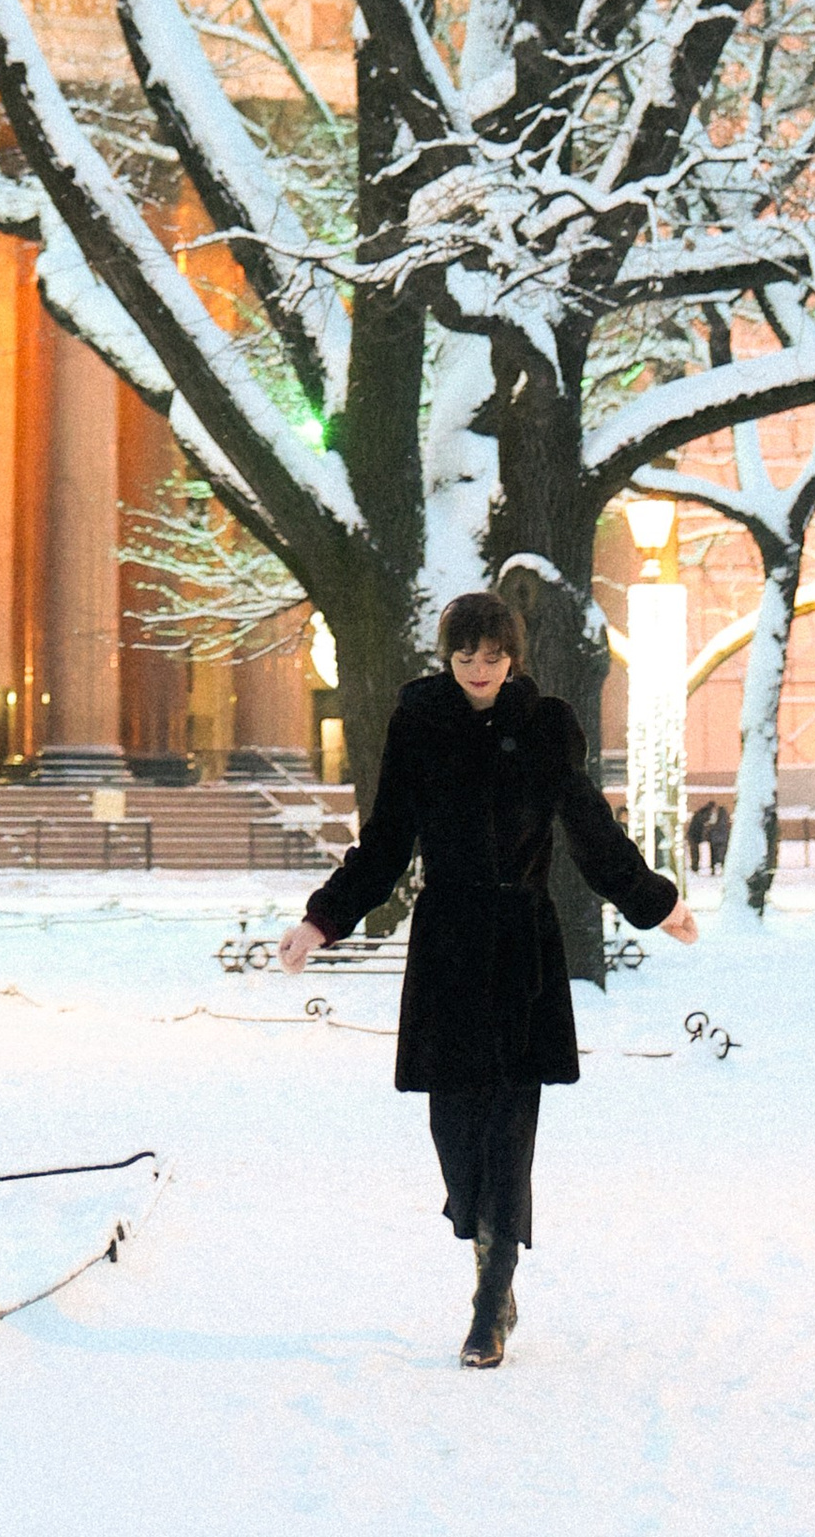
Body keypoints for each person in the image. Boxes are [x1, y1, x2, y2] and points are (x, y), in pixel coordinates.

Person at [278, 586, 699, 1370]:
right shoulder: (420, 723)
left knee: (509, 1130)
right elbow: (385, 844)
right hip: (446, 948)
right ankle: (486, 1246)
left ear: (513, 656)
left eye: (494, 656)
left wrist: (658, 902)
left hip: (520, 950)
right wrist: (321, 919)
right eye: (467, 655)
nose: (481, 669)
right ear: (450, 654)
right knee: (453, 1131)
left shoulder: (546, 728)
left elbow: (590, 829)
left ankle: (489, 1299)